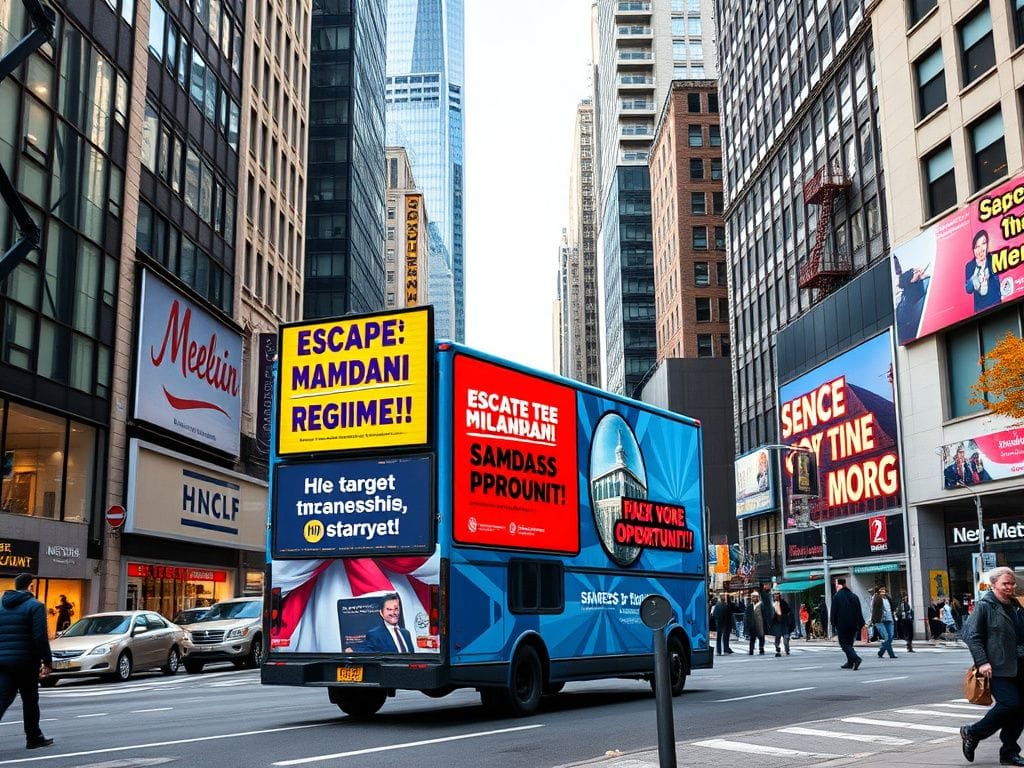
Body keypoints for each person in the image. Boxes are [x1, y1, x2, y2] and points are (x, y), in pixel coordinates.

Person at [960, 566, 1024, 766]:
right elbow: (971, 636)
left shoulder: (1016, 606)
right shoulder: (985, 606)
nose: (1010, 587)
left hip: (1020, 665)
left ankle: (1009, 752)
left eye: (1012, 583)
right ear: (993, 584)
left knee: (1020, 709)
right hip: (998, 667)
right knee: (1010, 703)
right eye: (1005, 583)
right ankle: (972, 733)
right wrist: (982, 662)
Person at [0, 573, 54, 750]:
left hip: (3, 662)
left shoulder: (1, 605)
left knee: (2, 699)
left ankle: (35, 736)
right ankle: (34, 737)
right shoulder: (36, 606)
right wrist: (47, 662)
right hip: (26, 662)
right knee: (30, 700)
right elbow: (40, 636)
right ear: (31, 586)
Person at [831, 578, 865, 670]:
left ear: (839, 585)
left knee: (844, 644)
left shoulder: (837, 596)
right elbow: (859, 611)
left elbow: (833, 612)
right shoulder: (854, 596)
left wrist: (833, 625)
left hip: (842, 624)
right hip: (854, 625)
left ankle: (856, 659)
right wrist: (861, 623)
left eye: (836, 585)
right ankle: (850, 662)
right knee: (849, 643)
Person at [965, 229, 1002, 313]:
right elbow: (968, 289)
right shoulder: (970, 266)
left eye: (984, 243)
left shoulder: (993, 259)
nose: (981, 249)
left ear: (987, 245)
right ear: (973, 250)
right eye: (977, 246)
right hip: (980, 310)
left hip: (996, 304)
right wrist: (973, 278)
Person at [871, 586, 897, 659]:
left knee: (891, 637)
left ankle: (881, 651)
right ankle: (891, 654)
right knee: (886, 637)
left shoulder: (887, 598)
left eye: (884, 591)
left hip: (889, 619)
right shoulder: (875, 598)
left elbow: (892, 607)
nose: (883, 592)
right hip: (879, 620)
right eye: (881, 591)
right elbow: (873, 608)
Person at [744, 590, 768, 655]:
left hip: (760, 624)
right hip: (752, 625)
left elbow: (765, 616)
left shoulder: (761, 605)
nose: (753, 598)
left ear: (757, 598)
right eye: (752, 597)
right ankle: (751, 650)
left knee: (761, 637)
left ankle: (761, 649)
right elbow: (746, 617)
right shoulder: (749, 607)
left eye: (755, 597)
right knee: (752, 638)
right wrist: (747, 625)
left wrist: (765, 625)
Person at [769, 591, 793, 656]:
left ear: (779, 596)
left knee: (785, 638)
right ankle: (777, 648)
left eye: (777, 595)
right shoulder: (773, 604)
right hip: (777, 623)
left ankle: (787, 650)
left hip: (784, 623)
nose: (776, 596)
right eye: (775, 595)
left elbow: (789, 611)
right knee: (777, 638)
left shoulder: (783, 603)